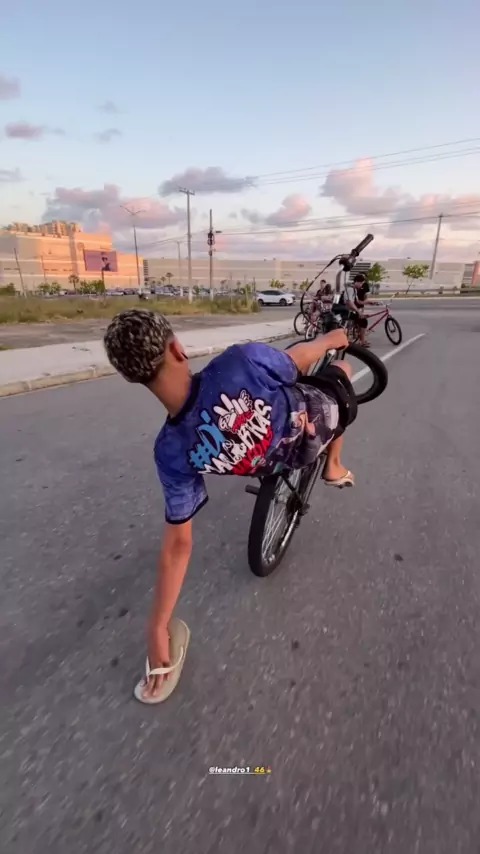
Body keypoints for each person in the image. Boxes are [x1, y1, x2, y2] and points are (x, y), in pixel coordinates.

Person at [103, 310, 357, 703]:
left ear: (130, 376)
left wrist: (157, 626)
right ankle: (334, 464)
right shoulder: (239, 362)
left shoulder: (170, 451)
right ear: (177, 349)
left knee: (288, 369)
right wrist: (331, 340)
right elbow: (300, 357)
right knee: (341, 371)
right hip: (312, 427)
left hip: (264, 462)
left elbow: (177, 546)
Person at [337, 273, 370, 347]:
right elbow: (349, 302)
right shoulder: (350, 289)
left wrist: (369, 302)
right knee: (363, 321)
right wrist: (359, 312)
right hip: (344, 311)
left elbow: (358, 301)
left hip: (347, 310)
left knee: (362, 320)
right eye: (361, 283)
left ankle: (360, 339)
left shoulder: (354, 289)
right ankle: (362, 342)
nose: (361, 285)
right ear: (356, 282)